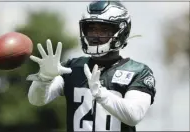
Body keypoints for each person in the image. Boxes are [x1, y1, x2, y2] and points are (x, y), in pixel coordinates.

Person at [26, 1, 156, 132]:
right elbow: (36, 100)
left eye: (104, 30)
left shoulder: (138, 71)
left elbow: (134, 116)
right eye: (92, 29)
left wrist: (101, 94)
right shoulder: (73, 67)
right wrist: (44, 79)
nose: (95, 36)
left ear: (121, 32)